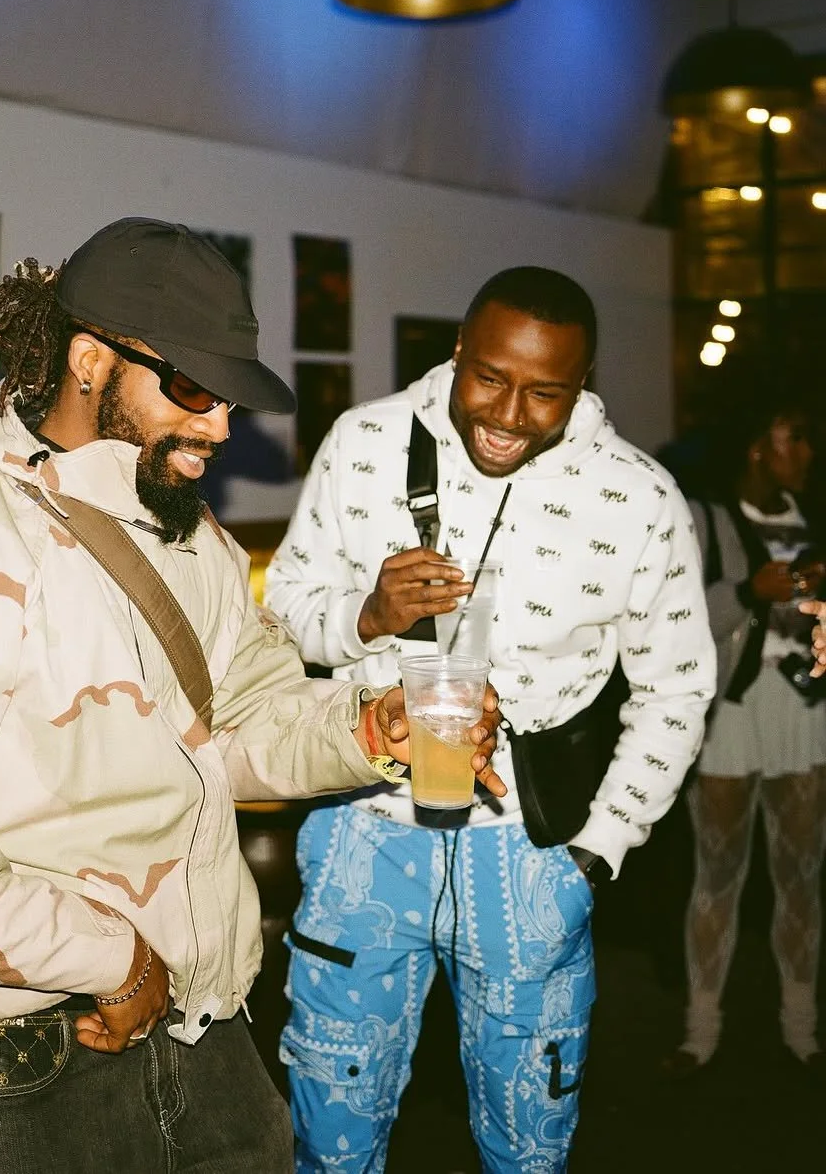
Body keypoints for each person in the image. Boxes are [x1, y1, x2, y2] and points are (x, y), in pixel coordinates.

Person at [0, 218, 504, 1174]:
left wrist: (368, 724)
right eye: (193, 388)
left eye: (230, 398)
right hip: (24, 1059)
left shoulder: (190, 539)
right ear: (90, 362)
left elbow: (242, 723)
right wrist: (110, 957)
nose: (219, 424)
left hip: (206, 1023)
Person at [264, 265, 715, 1173]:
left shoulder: (640, 497)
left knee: (529, 1144)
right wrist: (366, 615)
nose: (509, 413)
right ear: (458, 351)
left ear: (583, 384)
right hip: (362, 826)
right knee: (329, 1132)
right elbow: (280, 618)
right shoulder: (363, 444)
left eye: (546, 391)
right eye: (490, 377)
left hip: (531, 851)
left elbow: (677, 688)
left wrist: (596, 851)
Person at [663, 403, 826, 1077]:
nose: (809, 452)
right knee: (718, 875)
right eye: (798, 438)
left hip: (804, 711)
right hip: (730, 711)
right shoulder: (707, 519)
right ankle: (700, 1032)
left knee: (801, 876)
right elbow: (677, 616)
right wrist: (749, 589)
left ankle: (802, 1028)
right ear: (760, 448)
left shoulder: (811, 523)